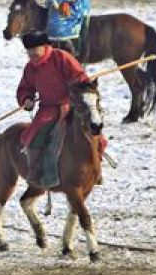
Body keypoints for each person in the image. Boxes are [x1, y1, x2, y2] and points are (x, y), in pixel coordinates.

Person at [16, 32, 106, 186]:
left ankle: (96, 168)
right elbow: (25, 88)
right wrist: (26, 100)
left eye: (34, 52)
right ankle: (36, 170)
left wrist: (79, 86)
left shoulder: (60, 57)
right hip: (47, 109)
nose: (32, 56)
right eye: (29, 53)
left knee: (92, 131)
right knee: (34, 137)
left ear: (44, 47)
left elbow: (79, 76)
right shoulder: (31, 68)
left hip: (71, 105)